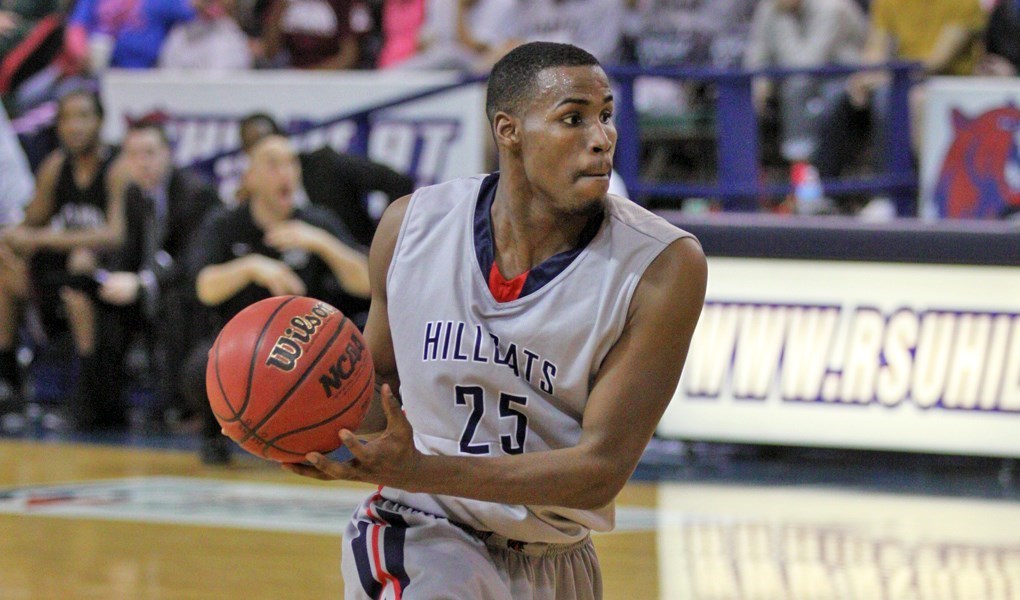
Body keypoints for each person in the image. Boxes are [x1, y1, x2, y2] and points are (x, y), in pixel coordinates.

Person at [283, 42, 707, 599]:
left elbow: (601, 470)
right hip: (419, 534)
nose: (601, 137)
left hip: (558, 559)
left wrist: (420, 469)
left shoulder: (662, 265)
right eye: (572, 118)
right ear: (509, 130)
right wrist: (303, 423)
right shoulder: (410, 228)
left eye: (606, 116)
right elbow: (375, 386)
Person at [186, 134, 370, 464]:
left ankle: (316, 436)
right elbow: (204, 286)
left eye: (291, 163)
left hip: (309, 347)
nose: (285, 172)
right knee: (201, 366)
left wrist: (324, 244)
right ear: (250, 177)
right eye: (273, 164)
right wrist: (250, 267)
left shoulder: (316, 221)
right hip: (243, 352)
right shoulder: (226, 223)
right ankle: (216, 436)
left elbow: (367, 284)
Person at [0, 88, 128, 430]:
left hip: (113, 275)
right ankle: (7, 378)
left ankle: (86, 395)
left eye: (84, 116)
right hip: (59, 272)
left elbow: (115, 235)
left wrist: (42, 238)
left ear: (100, 122)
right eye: (68, 118)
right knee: (5, 261)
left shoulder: (117, 167)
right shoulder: (56, 167)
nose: (75, 127)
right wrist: (14, 234)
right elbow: (32, 221)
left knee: (79, 271)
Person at [98, 118, 220, 428]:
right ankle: (103, 410)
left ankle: (182, 406)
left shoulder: (195, 193)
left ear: (168, 153)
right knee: (100, 302)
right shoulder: (134, 194)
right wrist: (113, 278)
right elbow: (128, 253)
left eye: (150, 152)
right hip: (153, 283)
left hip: (193, 288)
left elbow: (191, 261)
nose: (143, 162)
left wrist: (141, 283)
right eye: (134, 155)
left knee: (176, 303)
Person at [238, 112, 415, 248]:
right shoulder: (249, 197)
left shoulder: (326, 165)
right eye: (269, 162)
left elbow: (398, 182)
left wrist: (383, 242)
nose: (282, 172)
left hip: (349, 271)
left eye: (282, 160)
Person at [744, 0, 868, 163]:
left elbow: (805, 65)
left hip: (844, 77)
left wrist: (783, 20)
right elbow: (756, 53)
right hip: (799, 76)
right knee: (748, 93)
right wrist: (760, 83)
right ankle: (753, 173)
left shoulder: (830, 6)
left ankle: (804, 171)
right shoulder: (771, 6)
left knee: (798, 87)